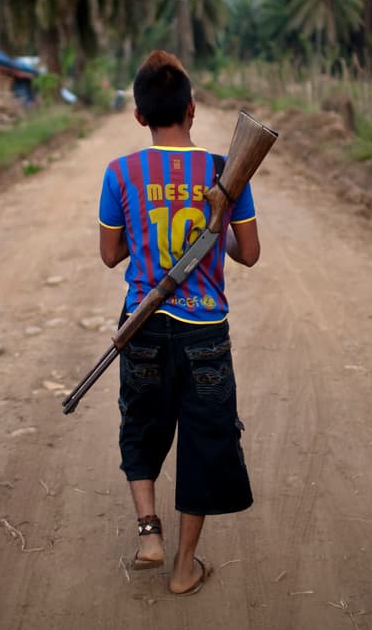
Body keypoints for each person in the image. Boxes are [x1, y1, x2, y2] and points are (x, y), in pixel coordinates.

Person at [97, 49, 261, 596]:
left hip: (141, 324)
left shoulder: (119, 172)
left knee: (140, 425)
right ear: (192, 109)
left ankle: (149, 533)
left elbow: (110, 254)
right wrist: (216, 225)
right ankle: (185, 567)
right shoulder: (224, 171)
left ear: (139, 115)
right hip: (205, 331)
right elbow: (249, 253)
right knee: (204, 440)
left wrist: (146, 232)